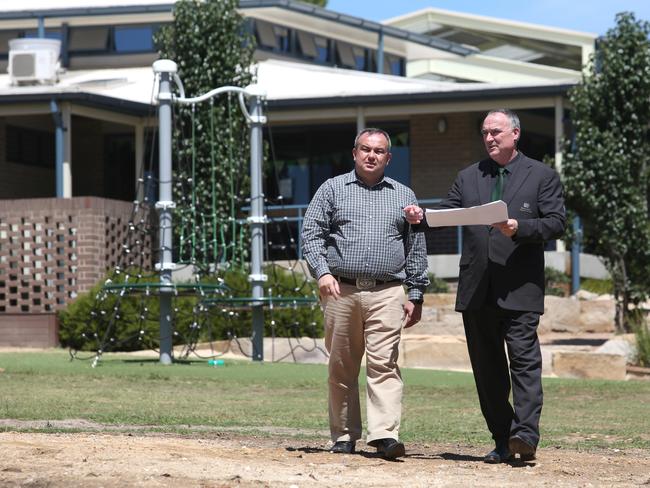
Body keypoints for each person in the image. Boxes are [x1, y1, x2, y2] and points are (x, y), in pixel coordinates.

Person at [404, 109, 566, 463]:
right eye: (484, 133)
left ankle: (525, 433)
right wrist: (422, 218)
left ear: (515, 134)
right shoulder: (469, 176)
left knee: (524, 363)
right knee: (488, 372)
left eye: (496, 131)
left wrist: (519, 228)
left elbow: (555, 223)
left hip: (520, 289)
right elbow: (447, 214)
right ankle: (503, 438)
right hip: (477, 289)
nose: (490, 138)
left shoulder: (542, 175)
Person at [301, 128, 429, 459]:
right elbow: (311, 234)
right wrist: (323, 272)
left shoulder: (404, 196)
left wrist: (415, 293)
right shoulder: (332, 189)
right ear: (354, 153)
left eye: (379, 151)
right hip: (340, 290)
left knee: (384, 363)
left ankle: (384, 435)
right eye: (365, 149)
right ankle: (344, 435)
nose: (371, 155)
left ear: (389, 157)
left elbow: (415, 247)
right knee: (342, 366)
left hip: (388, 292)